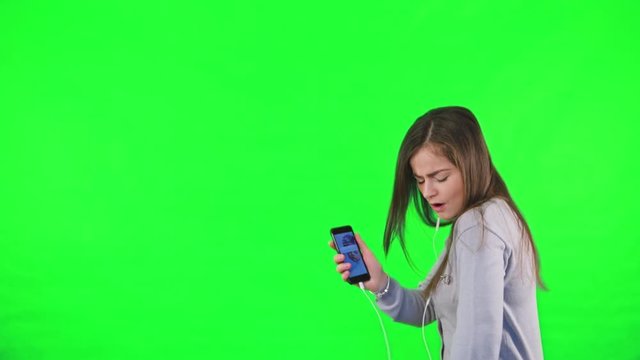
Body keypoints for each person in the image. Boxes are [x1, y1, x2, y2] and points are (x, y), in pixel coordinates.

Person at [329, 106, 544, 359]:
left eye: (440, 177)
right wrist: (379, 283)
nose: (427, 191)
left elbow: (477, 350)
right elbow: (427, 306)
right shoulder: (489, 217)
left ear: (471, 165)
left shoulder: (477, 225)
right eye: (419, 180)